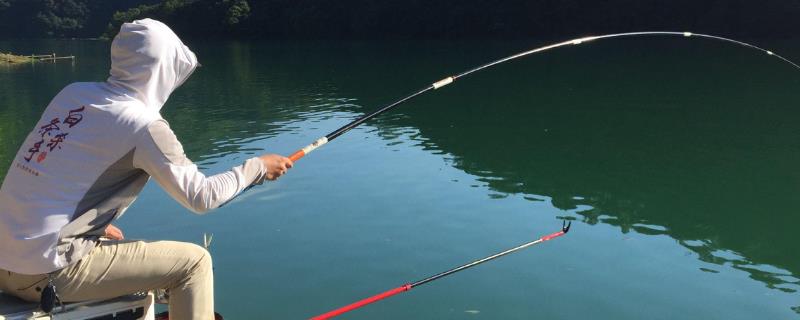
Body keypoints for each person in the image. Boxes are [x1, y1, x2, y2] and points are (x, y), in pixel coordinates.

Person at [0, 19, 293, 319]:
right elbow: (202, 196)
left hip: (5, 261)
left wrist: (90, 225)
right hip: (46, 272)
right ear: (161, 70)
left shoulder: (73, 95)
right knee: (194, 264)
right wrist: (257, 167)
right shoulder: (143, 126)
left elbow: (53, 179)